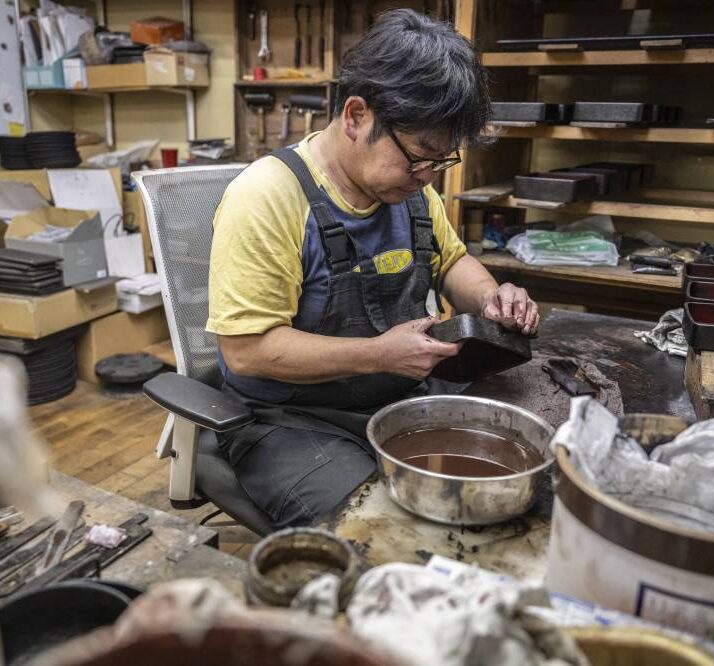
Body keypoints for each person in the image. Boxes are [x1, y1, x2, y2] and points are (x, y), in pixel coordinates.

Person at [206, 9, 539, 529]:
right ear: (357, 115)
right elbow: (246, 350)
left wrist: (491, 296)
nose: (428, 175)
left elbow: (452, 260)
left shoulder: (412, 192)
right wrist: (379, 354)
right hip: (289, 421)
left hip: (400, 397)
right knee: (385, 529)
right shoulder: (268, 196)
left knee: (516, 470)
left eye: (442, 161)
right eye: (419, 156)